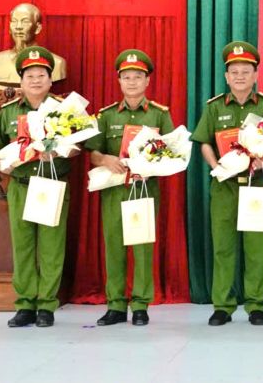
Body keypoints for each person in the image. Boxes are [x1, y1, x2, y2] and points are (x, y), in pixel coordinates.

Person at [0, 47, 77, 327]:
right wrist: (4, 165)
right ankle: (25, 304)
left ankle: (47, 306)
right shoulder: (10, 111)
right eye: (30, 75)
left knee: (51, 246)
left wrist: (60, 151)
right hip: (22, 185)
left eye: (41, 75)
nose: (36, 80)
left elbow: (78, 146)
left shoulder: (65, 110)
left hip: (52, 184)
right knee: (23, 246)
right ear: (21, 82)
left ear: (51, 80)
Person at [85, 49, 173, 327]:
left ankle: (140, 304)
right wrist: (105, 159)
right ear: (119, 81)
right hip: (114, 189)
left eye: (138, 76)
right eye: (126, 77)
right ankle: (115, 305)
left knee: (142, 246)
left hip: (144, 189)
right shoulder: (106, 116)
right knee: (114, 246)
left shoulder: (159, 115)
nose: (132, 82)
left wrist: (152, 165)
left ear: (147, 81)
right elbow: (92, 153)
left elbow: (174, 152)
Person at [192, 41, 263, 326]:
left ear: (255, 75)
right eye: (234, 72)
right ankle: (223, 306)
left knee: (257, 246)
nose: (240, 76)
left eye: (246, 71)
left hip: (255, 184)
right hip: (224, 186)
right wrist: (215, 166)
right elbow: (203, 141)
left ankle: (256, 305)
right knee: (223, 246)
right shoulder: (215, 107)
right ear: (227, 77)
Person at [0, 3, 67, 91]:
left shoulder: (57, 63)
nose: (18, 27)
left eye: (25, 21)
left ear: (38, 28)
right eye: (14, 21)